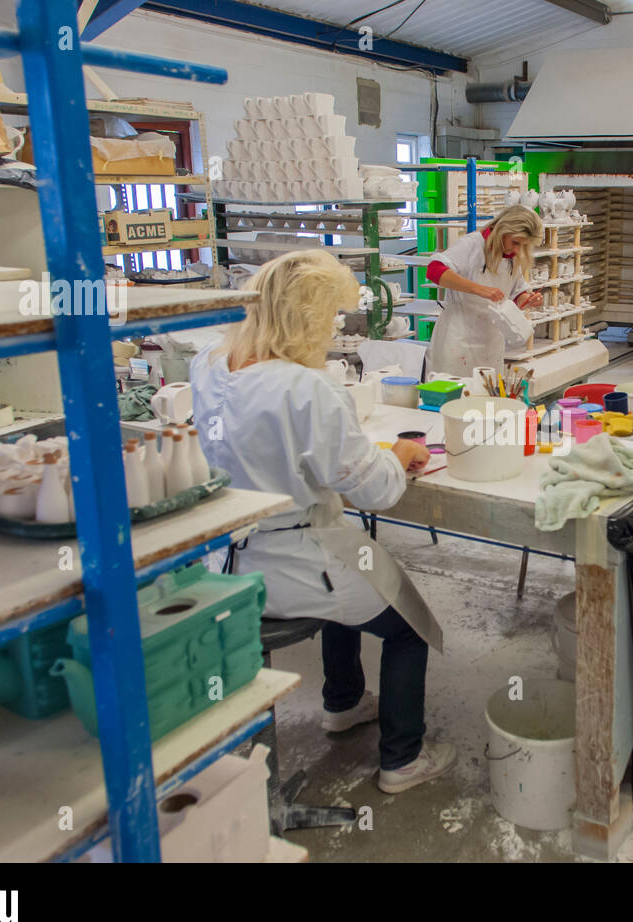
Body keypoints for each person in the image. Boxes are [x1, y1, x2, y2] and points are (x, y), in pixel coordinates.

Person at [189, 249, 454, 794]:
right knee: (410, 628)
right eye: (333, 315)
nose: (336, 328)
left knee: (351, 580)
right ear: (305, 316)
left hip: (224, 558)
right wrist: (401, 454)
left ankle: (343, 702)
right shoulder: (308, 388)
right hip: (290, 558)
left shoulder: (210, 362)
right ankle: (402, 761)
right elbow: (376, 490)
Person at [424, 205, 544, 378]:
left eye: (523, 245)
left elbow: (516, 293)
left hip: (490, 341)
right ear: (503, 229)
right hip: (458, 338)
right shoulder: (472, 245)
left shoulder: (512, 259)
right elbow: (434, 271)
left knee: (485, 398)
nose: (517, 249)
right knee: (454, 398)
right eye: (515, 242)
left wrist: (527, 299)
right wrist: (480, 290)